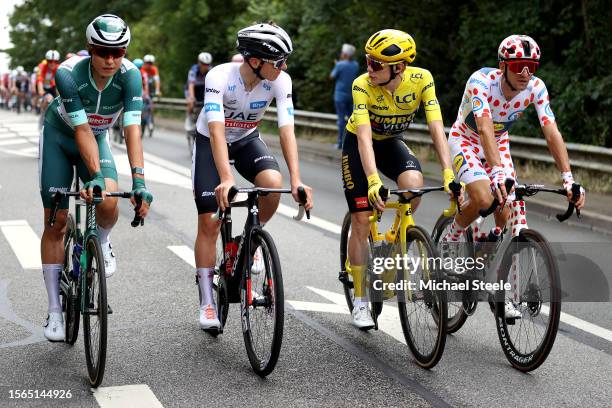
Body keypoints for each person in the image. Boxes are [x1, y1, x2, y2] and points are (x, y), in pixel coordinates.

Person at [442, 34, 585, 318]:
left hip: (500, 144)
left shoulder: (535, 88)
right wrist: (495, 171)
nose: (525, 73)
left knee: (510, 211)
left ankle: (496, 277)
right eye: (519, 65)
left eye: (531, 66)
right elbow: (483, 129)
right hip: (467, 141)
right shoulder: (481, 82)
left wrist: (568, 178)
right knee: (484, 197)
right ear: (503, 65)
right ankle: (452, 235)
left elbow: (551, 131)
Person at [39, 14, 153, 341]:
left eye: (118, 52)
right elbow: (82, 128)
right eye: (103, 51)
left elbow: (132, 131)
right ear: (90, 48)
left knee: (108, 202)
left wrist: (140, 182)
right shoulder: (67, 73)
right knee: (55, 221)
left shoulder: (131, 76)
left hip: (98, 138)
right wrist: (93, 176)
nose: (110, 59)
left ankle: (102, 242)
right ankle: (55, 312)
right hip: (61, 138)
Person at [192, 22, 313, 329]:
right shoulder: (219, 77)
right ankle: (207, 302)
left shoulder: (280, 81)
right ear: (256, 61)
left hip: (247, 139)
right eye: (279, 61)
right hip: (211, 141)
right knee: (209, 220)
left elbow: (287, 131)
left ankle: (250, 243)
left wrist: (296, 179)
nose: (284, 67)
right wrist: (226, 178)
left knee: (273, 184)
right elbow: (217, 131)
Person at [342, 29, 459, 329]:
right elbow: (365, 139)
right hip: (359, 144)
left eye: (376, 64)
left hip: (391, 142)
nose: (369, 68)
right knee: (360, 218)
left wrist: (448, 172)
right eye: (368, 60)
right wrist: (372, 181)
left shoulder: (422, 80)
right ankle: (360, 300)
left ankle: (392, 243)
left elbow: (436, 127)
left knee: (414, 187)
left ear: (400, 68)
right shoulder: (361, 85)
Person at [330, 43, 359, 149]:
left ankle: (340, 143)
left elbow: (332, 76)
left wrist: (336, 65)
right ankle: (353, 142)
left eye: (342, 52)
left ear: (346, 54)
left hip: (340, 96)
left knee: (341, 120)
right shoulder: (355, 65)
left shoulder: (340, 65)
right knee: (353, 119)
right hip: (351, 96)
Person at [186, 52, 212, 118]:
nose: (205, 66)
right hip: (192, 88)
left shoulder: (211, 70)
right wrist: (192, 97)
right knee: (191, 103)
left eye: (207, 64)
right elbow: (191, 84)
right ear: (199, 62)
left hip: (203, 88)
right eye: (203, 64)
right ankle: (189, 117)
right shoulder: (193, 70)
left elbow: (213, 84)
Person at [37, 50, 60, 123]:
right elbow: (39, 81)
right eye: (50, 61)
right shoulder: (41, 67)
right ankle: (43, 115)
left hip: (52, 86)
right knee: (48, 98)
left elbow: (59, 83)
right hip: (43, 87)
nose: (53, 64)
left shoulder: (59, 68)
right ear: (47, 61)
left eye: (55, 61)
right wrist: (42, 92)